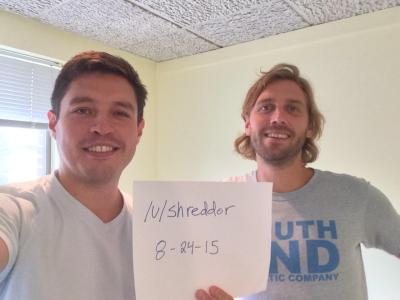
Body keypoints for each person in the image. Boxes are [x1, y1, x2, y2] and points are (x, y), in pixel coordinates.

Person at [197, 63, 400, 300]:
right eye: (266, 107)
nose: (278, 117)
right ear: (247, 123)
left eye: (292, 109)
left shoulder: (356, 196)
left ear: (310, 127)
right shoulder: (220, 201)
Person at [0, 51, 146, 299]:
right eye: (83, 110)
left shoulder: (153, 226)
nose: (102, 128)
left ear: (139, 130)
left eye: (120, 113)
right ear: (53, 124)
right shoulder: (14, 209)